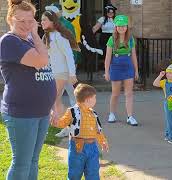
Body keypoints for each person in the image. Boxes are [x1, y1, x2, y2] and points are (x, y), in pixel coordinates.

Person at [0, 0, 56, 179]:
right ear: (10, 20)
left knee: (33, 160)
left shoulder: (30, 41)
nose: (26, 25)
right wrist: (36, 34)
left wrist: (52, 104)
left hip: (41, 112)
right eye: (20, 20)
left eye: (30, 20)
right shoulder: (9, 41)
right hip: (22, 113)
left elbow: (45, 70)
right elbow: (42, 61)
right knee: (22, 163)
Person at [51, 83, 108, 179]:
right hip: (78, 147)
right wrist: (55, 121)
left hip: (92, 148)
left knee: (93, 172)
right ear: (88, 100)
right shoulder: (72, 111)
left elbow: (97, 130)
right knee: (75, 173)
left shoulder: (93, 113)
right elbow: (63, 123)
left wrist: (102, 141)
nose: (95, 100)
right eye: (94, 98)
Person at [45, 3, 79, 138]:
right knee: (71, 98)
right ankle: (72, 125)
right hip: (59, 72)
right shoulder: (50, 32)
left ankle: (71, 125)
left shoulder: (63, 29)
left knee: (64, 99)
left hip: (65, 71)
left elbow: (70, 52)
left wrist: (72, 72)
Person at [104, 15, 139, 126]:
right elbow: (108, 57)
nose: (121, 28)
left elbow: (134, 55)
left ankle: (130, 116)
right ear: (116, 27)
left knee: (129, 93)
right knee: (115, 93)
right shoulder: (111, 39)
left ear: (126, 27)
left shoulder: (130, 39)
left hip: (128, 67)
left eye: (123, 26)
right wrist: (106, 71)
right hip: (115, 68)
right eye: (119, 26)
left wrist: (136, 70)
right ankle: (112, 114)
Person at [153, 63, 172, 145]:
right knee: (170, 121)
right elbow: (155, 84)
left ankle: (167, 135)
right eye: (167, 73)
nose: (168, 74)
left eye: (170, 72)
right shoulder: (164, 82)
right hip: (168, 103)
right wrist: (160, 76)